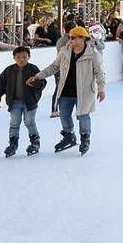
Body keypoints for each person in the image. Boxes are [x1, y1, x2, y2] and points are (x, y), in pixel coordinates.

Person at [27, 26, 106, 156]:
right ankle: (69, 136)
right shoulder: (65, 51)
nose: (70, 40)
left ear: (82, 39)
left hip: (84, 92)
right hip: (65, 90)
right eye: (69, 37)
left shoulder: (93, 54)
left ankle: (85, 139)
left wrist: (101, 89)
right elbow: (54, 67)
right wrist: (38, 76)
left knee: (83, 115)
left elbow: (100, 73)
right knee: (64, 115)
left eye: (73, 37)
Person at [0, 46, 47, 157]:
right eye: (18, 57)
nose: (21, 59)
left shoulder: (33, 69)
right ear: (14, 58)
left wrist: (35, 83)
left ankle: (35, 142)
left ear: (29, 57)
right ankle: (13, 144)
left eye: (24, 57)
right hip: (14, 102)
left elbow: (42, 82)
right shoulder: (9, 70)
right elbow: (1, 84)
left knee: (29, 122)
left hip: (30, 101)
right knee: (14, 122)